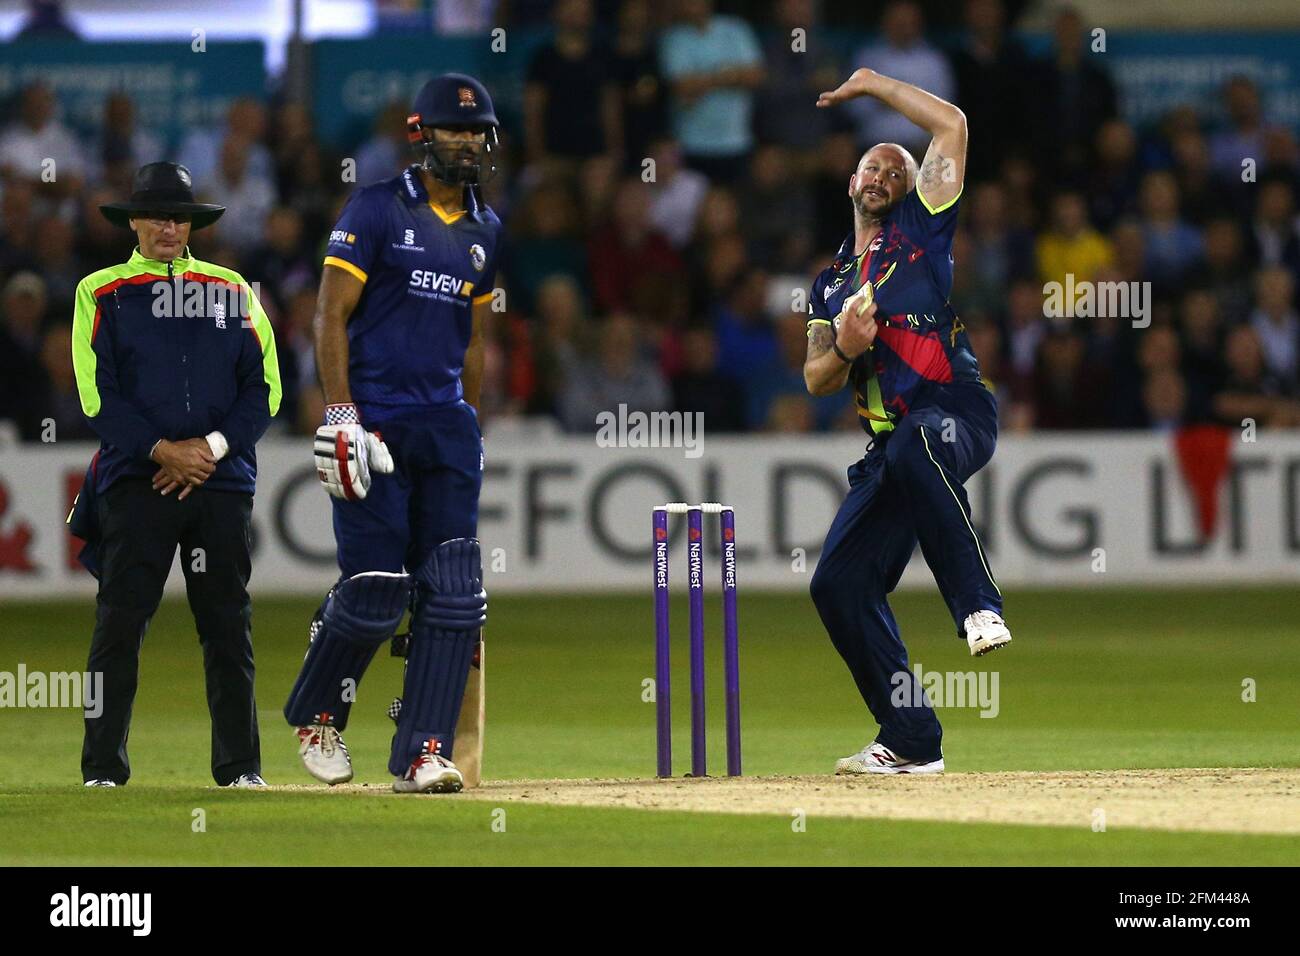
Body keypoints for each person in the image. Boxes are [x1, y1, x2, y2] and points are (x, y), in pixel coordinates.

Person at [284, 74, 500, 795]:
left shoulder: (486, 230)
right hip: (373, 418)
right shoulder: (375, 207)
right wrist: (339, 413)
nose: (466, 142)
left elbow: (473, 338)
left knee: (454, 592)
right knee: (377, 589)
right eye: (452, 130)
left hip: (444, 424)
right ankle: (318, 715)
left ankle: (423, 750)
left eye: (476, 132)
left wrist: (473, 421)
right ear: (422, 134)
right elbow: (328, 316)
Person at [804, 68, 1010, 776]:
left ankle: (978, 607)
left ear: (911, 189)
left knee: (921, 439)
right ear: (852, 182)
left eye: (898, 169)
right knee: (838, 585)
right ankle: (911, 740)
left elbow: (950, 124)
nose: (884, 173)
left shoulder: (921, 235)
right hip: (891, 447)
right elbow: (815, 376)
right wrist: (847, 348)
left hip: (956, 409)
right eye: (872, 164)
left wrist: (871, 84)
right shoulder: (830, 282)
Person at [69, 162, 282, 787]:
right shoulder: (99, 291)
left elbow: (265, 387)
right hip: (140, 481)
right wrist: (162, 449)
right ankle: (102, 767)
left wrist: (205, 448)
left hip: (212, 479)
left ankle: (240, 768)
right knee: (120, 624)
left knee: (226, 626)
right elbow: (95, 394)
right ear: (133, 221)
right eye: (158, 215)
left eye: (179, 216)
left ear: (191, 225)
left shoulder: (235, 290)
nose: (168, 225)